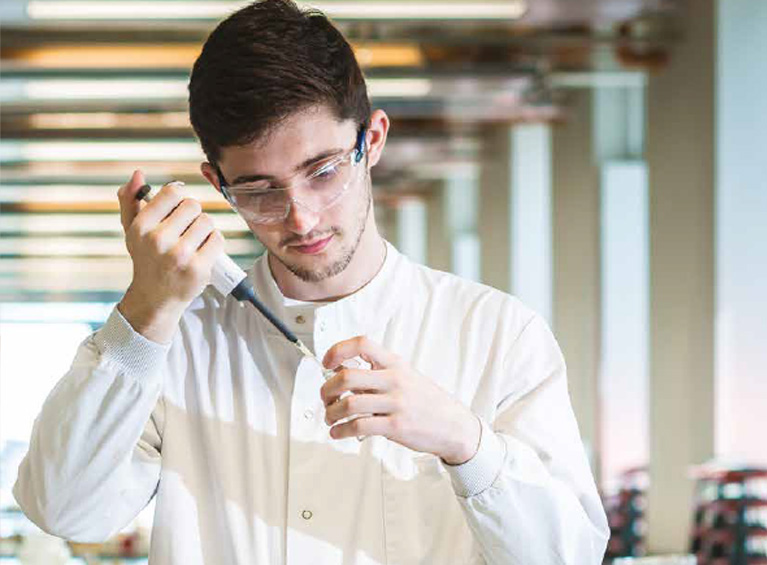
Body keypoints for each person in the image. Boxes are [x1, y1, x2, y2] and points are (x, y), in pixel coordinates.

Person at [13, 1, 609, 563]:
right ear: (215, 182)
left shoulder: (497, 334)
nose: (300, 216)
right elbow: (67, 512)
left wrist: (465, 443)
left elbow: (570, 553)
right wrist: (143, 313)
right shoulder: (176, 342)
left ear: (371, 141)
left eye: (321, 171)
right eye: (259, 189)